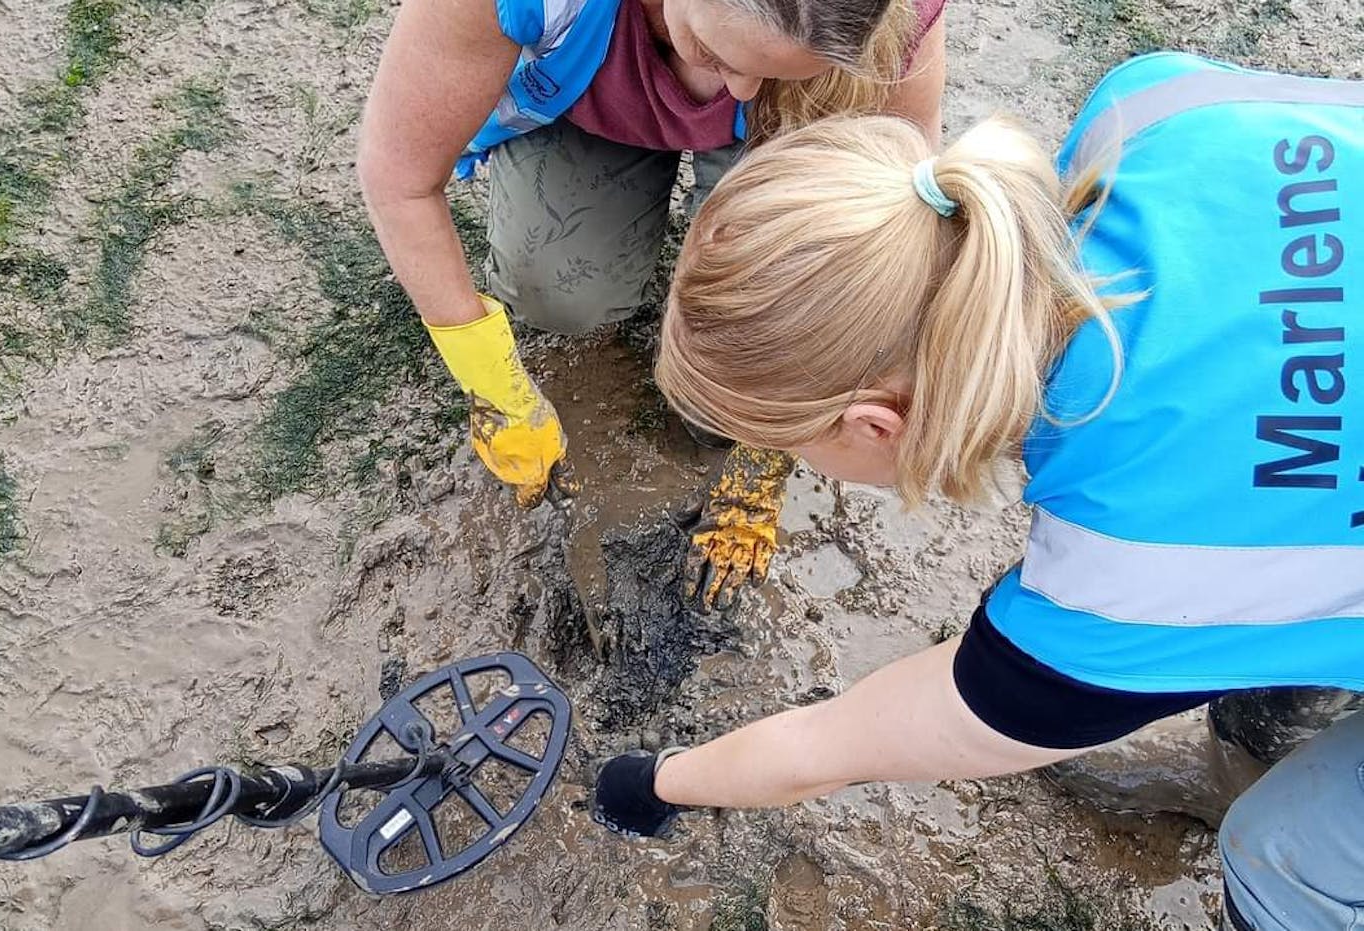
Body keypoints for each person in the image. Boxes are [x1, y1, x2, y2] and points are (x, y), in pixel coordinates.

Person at [589, 51, 1364, 929]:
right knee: (1304, 566)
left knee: (1281, 858)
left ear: (874, 424)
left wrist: (654, 781)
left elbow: (829, 746)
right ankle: (1257, 741)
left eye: (787, 448)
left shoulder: (1119, 591)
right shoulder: (1144, 109)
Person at [357, 0, 949, 612]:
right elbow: (398, 179)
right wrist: (492, 386)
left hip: (783, 137)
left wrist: (769, 442)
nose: (740, 88)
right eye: (719, 56)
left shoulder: (890, 23)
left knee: (728, 396)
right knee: (557, 294)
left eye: (772, 71)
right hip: (593, 105)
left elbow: (881, 269)